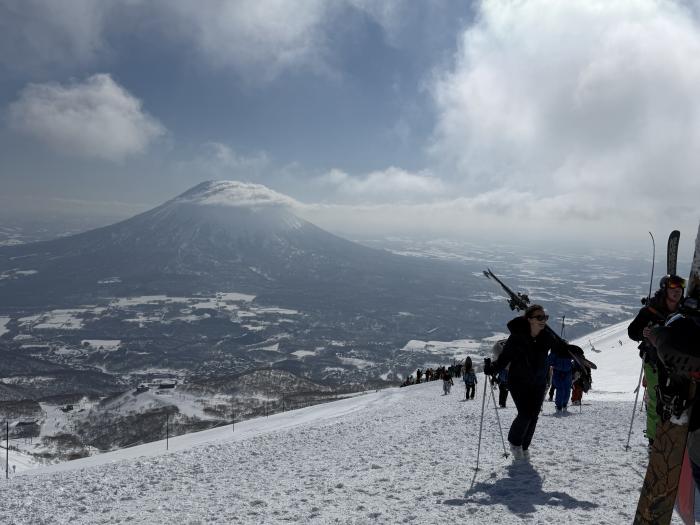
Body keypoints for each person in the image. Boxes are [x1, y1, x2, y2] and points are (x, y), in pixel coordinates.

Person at [484, 304, 563, 460]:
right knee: (525, 414)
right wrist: (491, 368)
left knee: (534, 416)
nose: (543, 320)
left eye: (545, 317)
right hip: (518, 381)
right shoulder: (518, 337)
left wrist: (573, 352)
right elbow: (504, 358)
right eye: (539, 317)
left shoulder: (547, 337)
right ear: (529, 320)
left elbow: (560, 350)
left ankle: (524, 447)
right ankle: (515, 443)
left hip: (539, 382)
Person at [628, 274, 684, 447]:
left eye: (679, 289)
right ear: (665, 290)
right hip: (653, 363)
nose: (677, 292)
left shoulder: (685, 310)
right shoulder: (649, 311)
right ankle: (654, 440)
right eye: (673, 289)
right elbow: (632, 332)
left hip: (677, 364)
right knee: (656, 401)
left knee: (676, 401)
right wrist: (642, 333)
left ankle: (672, 435)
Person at [547, 347, 574, 414]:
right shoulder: (569, 350)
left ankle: (559, 407)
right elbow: (575, 359)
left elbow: (549, 361)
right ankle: (564, 405)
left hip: (558, 372)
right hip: (568, 372)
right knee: (567, 389)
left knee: (560, 389)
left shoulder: (555, 351)